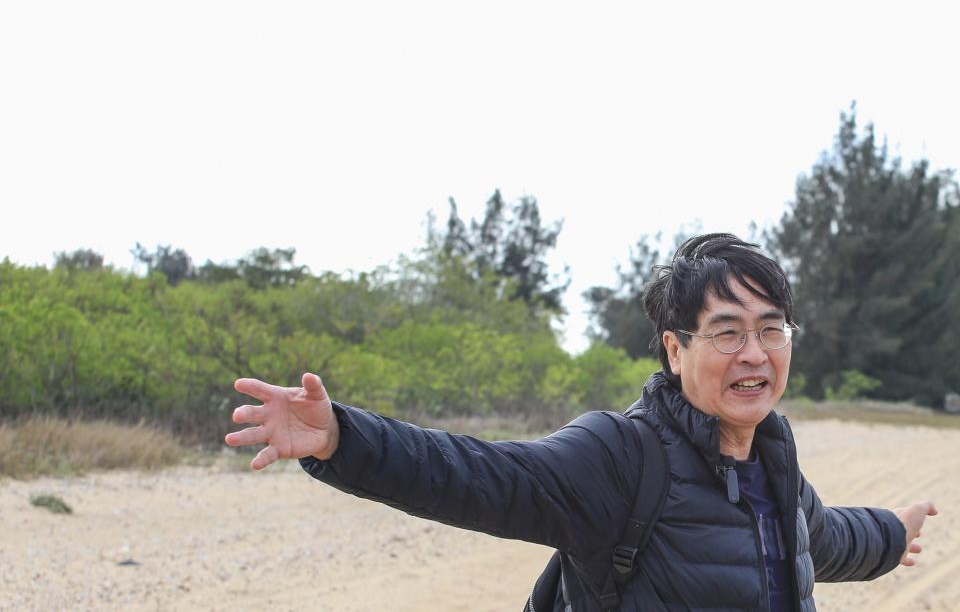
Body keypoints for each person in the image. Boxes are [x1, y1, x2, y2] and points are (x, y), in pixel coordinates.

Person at [225, 233, 937, 611]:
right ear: (675, 347)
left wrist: (889, 533)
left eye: (771, 329)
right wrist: (345, 438)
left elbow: (820, 538)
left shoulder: (774, 464)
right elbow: (485, 476)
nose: (753, 353)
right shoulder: (622, 457)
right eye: (727, 332)